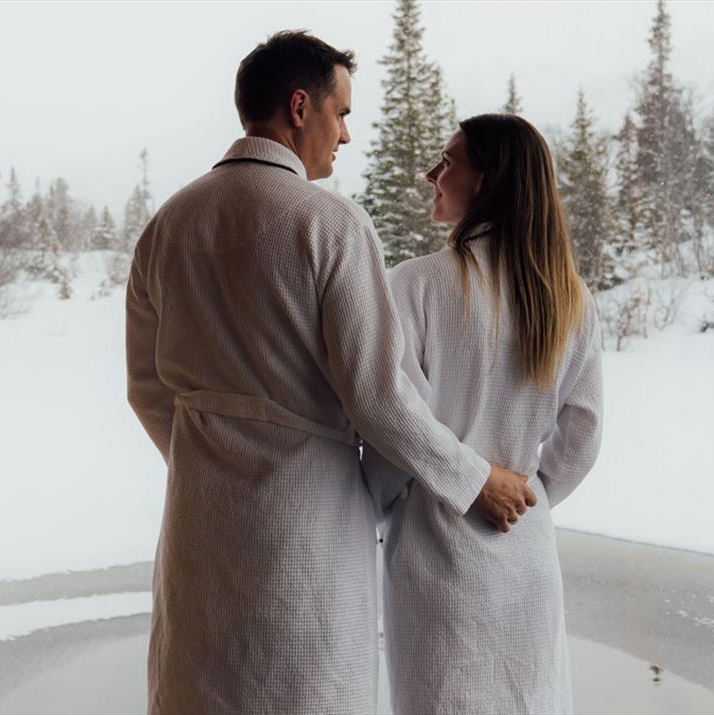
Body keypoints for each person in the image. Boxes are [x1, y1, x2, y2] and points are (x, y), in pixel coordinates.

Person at [125, 32, 532, 714]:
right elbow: (379, 397)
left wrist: (211, 456)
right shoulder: (330, 224)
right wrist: (476, 479)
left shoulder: (167, 224)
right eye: (341, 113)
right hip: (305, 528)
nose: (345, 134)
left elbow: (145, 388)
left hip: (198, 524)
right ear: (299, 107)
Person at [364, 114, 604, 714]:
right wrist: (531, 496)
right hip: (526, 551)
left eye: (448, 161)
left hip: (435, 549)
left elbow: (394, 418)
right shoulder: (568, 298)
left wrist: (394, 500)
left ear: (488, 179)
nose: (431, 173)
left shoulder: (415, 286)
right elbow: (583, 435)